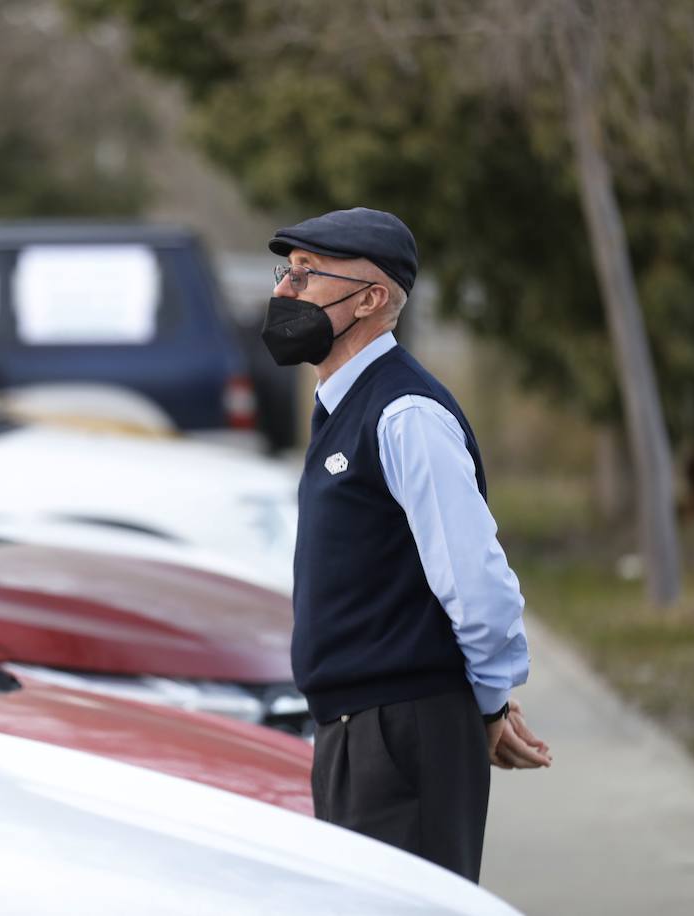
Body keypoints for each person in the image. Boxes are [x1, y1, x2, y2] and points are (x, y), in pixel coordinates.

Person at [260, 207, 552, 882]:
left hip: (399, 734)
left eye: (308, 275)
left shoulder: (406, 414)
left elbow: (479, 587)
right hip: (354, 730)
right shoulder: (343, 405)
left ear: (371, 299)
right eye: (287, 272)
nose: (285, 292)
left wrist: (490, 702)